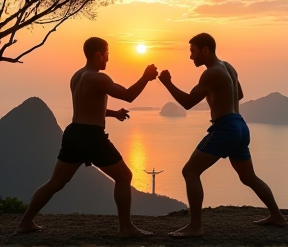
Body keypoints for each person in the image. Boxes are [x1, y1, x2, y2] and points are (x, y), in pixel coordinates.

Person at [16, 37, 158, 237]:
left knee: (55, 182)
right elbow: (128, 95)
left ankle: (25, 222)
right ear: (98, 54)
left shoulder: (77, 76)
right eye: (107, 55)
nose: (108, 59)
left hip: (74, 133)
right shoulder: (99, 78)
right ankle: (126, 228)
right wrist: (145, 77)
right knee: (124, 176)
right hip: (91, 137)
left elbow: (88, 106)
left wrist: (114, 113)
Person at [158, 33, 287, 238]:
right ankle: (277, 216)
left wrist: (167, 82)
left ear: (205, 50)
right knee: (248, 176)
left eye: (193, 51)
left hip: (225, 127)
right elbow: (240, 95)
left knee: (190, 171)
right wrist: (216, 95)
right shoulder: (228, 67)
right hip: (240, 125)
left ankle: (195, 226)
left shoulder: (210, 73)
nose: (190, 56)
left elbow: (188, 102)